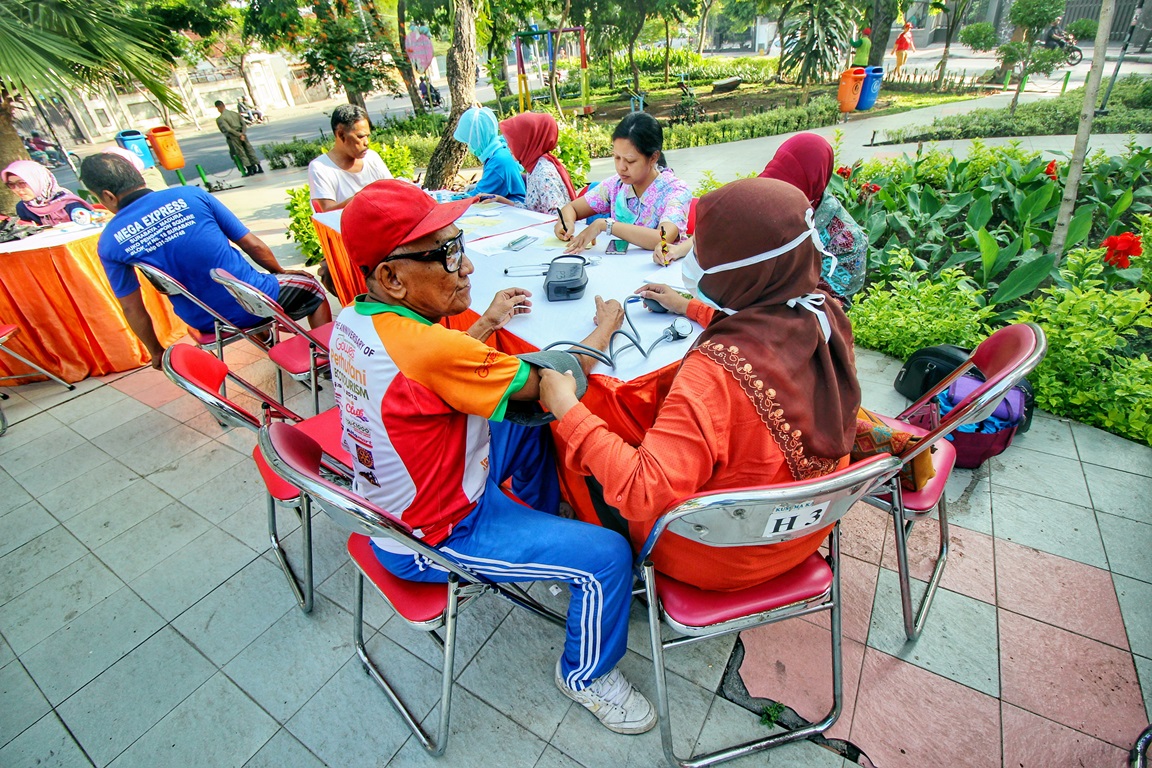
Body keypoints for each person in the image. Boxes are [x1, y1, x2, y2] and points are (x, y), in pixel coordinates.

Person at [330, 178, 656, 736]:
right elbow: (555, 383)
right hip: (433, 536)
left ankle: (540, 534)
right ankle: (585, 676)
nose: (468, 269)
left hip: (394, 499)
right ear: (391, 277)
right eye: (449, 254)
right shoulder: (433, 350)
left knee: (527, 432)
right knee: (608, 557)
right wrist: (604, 326)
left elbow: (435, 377)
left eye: (461, 247)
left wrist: (483, 325)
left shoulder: (352, 320)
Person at [539, 178, 862, 592]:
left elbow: (642, 489)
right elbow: (766, 329)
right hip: (806, 530)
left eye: (704, 247)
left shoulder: (714, 373)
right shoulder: (824, 313)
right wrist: (689, 306)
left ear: (743, 267)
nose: (691, 252)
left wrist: (567, 409)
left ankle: (619, 580)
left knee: (580, 442)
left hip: (720, 556)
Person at [80, 153, 330, 368]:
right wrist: (279, 272)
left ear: (107, 196)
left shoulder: (110, 241)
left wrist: (156, 351)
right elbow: (252, 245)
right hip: (254, 299)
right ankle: (328, 360)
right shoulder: (191, 196)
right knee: (312, 287)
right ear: (138, 177)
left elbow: (132, 308)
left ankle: (269, 345)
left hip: (205, 319)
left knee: (238, 294)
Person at [555, 112, 690, 263]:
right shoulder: (616, 185)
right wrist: (566, 223)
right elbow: (571, 209)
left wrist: (605, 225)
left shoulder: (675, 190)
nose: (621, 167)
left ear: (653, 157)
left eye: (630, 161)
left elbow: (662, 238)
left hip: (657, 274)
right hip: (618, 268)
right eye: (616, 157)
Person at [758, 133, 868, 298]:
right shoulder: (761, 200)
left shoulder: (846, 240)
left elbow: (830, 304)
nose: (774, 196)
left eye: (788, 188)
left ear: (813, 182)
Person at [481, 112, 576, 214]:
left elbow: (559, 217)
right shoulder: (534, 166)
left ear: (527, 142)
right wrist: (500, 199)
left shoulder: (544, 173)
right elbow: (533, 209)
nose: (508, 146)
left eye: (513, 142)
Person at [308, 104, 393, 213]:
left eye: (367, 136)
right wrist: (364, 198)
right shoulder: (320, 168)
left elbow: (392, 192)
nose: (366, 142)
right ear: (341, 134)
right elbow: (327, 213)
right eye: (360, 136)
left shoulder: (372, 157)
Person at [453, 106, 525, 203]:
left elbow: (478, 197)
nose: (469, 145)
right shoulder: (498, 151)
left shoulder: (498, 161)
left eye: (470, 141)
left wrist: (454, 198)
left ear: (478, 139)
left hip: (515, 211)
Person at [2, 160, 94, 226]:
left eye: (22, 183)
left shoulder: (69, 203)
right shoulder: (23, 207)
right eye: (11, 185)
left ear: (39, 181)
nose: (17, 189)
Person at [215, 100, 264, 177]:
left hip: (233, 136)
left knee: (241, 152)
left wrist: (238, 134)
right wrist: (243, 134)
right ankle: (258, 166)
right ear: (224, 105)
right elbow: (244, 124)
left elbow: (228, 129)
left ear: (218, 108)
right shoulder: (235, 114)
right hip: (243, 134)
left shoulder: (221, 118)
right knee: (249, 150)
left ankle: (249, 169)